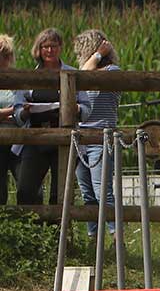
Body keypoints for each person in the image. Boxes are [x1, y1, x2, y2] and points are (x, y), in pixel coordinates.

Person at [13, 28, 92, 205]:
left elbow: (87, 109)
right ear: (39, 49)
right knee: (25, 191)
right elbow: (17, 113)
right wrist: (25, 111)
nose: (50, 50)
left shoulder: (72, 73)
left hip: (63, 140)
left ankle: (59, 232)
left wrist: (77, 108)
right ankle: (32, 230)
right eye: (45, 46)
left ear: (60, 48)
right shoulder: (30, 76)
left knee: (61, 195)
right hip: (35, 138)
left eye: (54, 46)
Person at [73, 30, 121, 240]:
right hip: (82, 138)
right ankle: (94, 237)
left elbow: (83, 75)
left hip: (102, 137)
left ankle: (116, 236)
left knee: (103, 191)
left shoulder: (113, 72)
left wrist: (98, 55)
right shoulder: (86, 70)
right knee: (87, 192)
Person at [0, 35, 18, 205]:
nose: (4, 60)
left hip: (19, 137)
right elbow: (18, 107)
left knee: (27, 184)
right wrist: (12, 110)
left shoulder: (17, 78)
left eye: (6, 55)